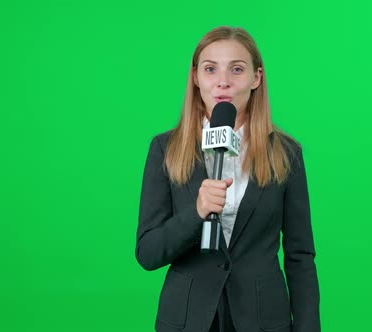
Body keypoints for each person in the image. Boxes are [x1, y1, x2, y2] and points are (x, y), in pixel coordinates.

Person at [136, 26, 320, 332]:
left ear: (256, 78)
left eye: (237, 69)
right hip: (188, 320)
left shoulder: (286, 153)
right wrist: (196, 214)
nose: (223, 81)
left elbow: (300, 256)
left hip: (262, 320)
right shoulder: (164, 149)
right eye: (211, 69)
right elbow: (148, 252)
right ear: (195, 78)